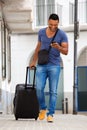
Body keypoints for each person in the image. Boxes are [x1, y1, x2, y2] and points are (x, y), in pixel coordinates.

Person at [30, 13, 68, 122]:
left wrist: (58, 47)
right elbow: (38, 46)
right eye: (51, 24)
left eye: (55, 25)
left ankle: (50, 114)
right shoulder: (41, 32)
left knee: (53, 91)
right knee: (39, 88)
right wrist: (33, 61)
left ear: (58, 23)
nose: (53, 27)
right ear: (48, 22)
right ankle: (43, 108)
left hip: (54, 66)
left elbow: (66, 51)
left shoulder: (62, 35)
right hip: (41, 64)